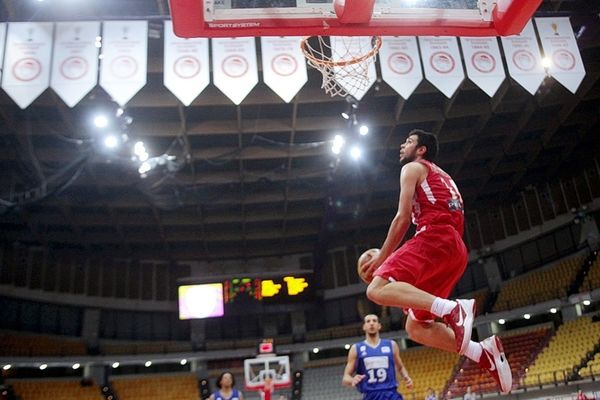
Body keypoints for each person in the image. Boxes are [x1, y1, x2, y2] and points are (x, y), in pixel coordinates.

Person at [362, 129, 512, 394]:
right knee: (416, 327)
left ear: (421, 150)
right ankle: (483, 353)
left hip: (435, 236)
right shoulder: (443, 175)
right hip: (454, 249)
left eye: (408, 142)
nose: (402, 145)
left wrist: (381, 260)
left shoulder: (413, 168)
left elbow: (403, 218)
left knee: (375, 289)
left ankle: (453, 310)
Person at [343, 314, 413, 400]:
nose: (371, 323)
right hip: (370, 395)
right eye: (368, 321)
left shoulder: (391, 345)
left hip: (391, 394)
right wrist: (352, 380)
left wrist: (406, 377)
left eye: (374, 321)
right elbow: (345, 378)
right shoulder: (356, 348)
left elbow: (400, 367)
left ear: (379, 326)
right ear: (364, 327)